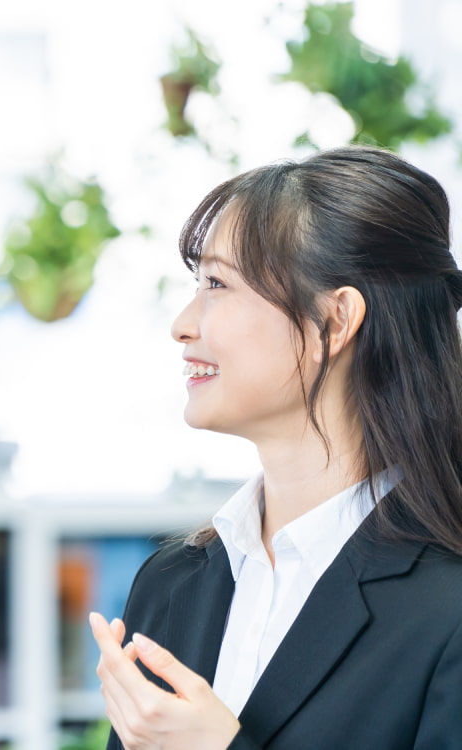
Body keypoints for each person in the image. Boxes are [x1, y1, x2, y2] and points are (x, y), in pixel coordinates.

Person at [88, 146, 462, 749]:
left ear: (333, 321)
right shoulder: (170, 584)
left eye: (217, 284)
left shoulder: (448, 607)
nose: (183, 324)